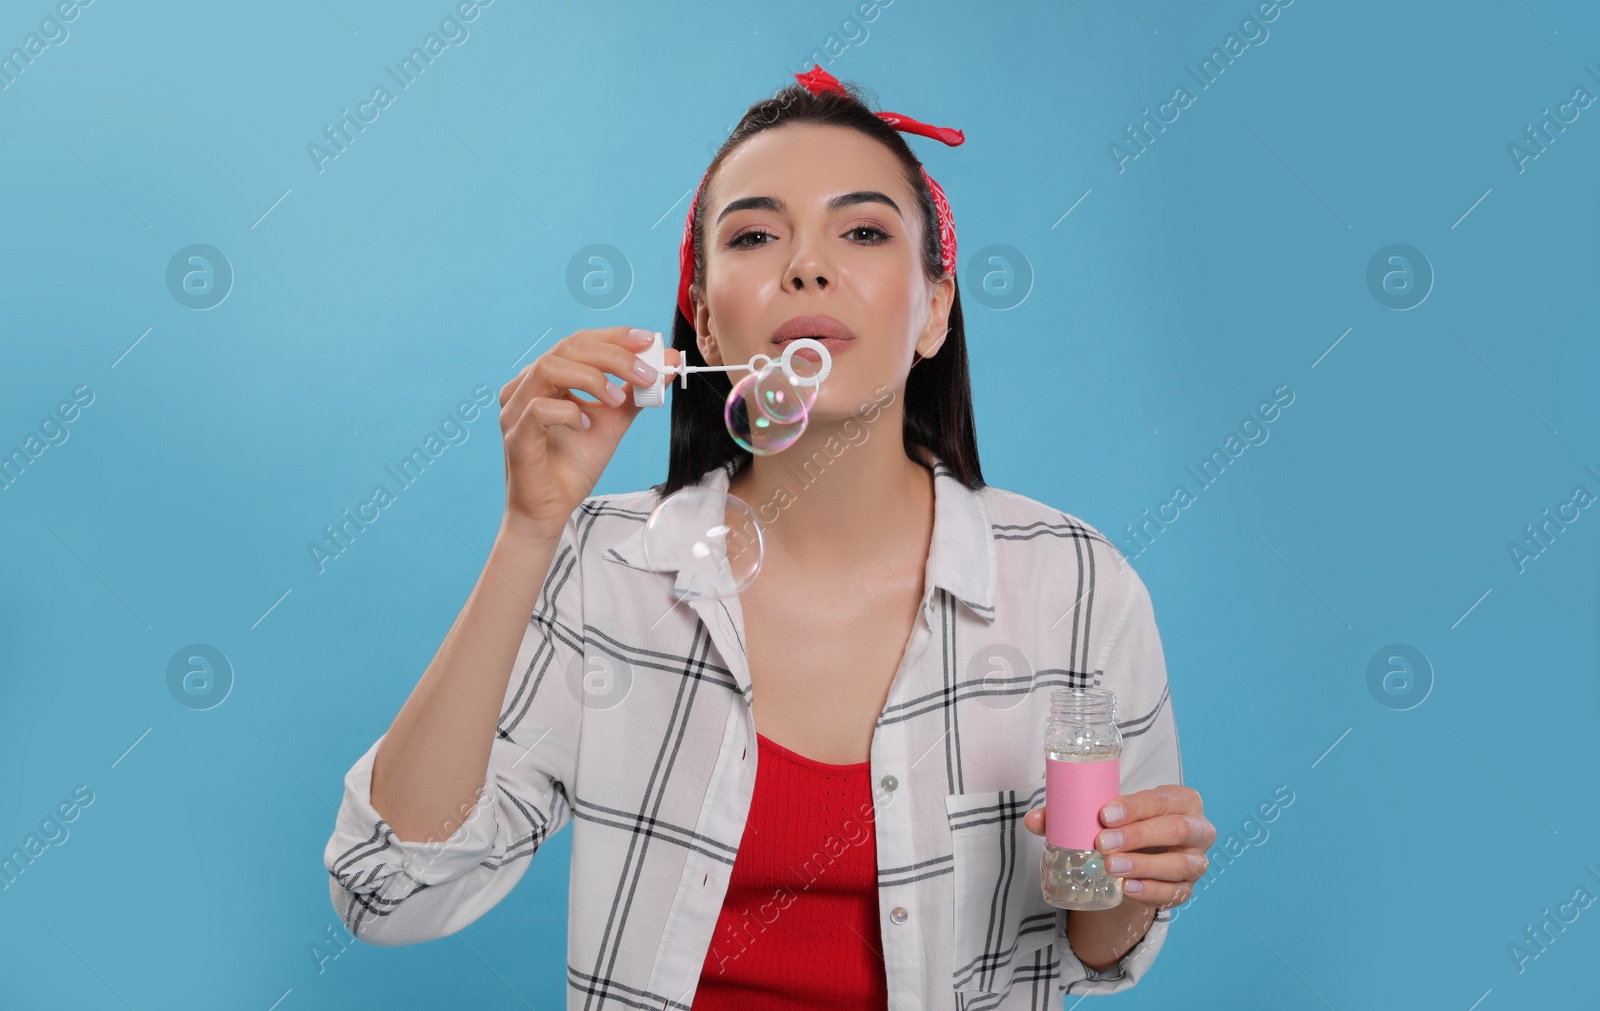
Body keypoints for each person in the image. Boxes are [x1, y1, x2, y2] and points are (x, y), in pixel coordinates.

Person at [323, 65, 1215, 1010]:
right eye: (754, 235)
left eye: (863, 231)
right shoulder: (609, 568)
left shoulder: (1075, 584)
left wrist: (1131, 883)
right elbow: (385, 889)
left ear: (934, 312)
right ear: (706, 324)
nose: (807, 267)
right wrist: (529, 530)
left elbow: (1097, 947)